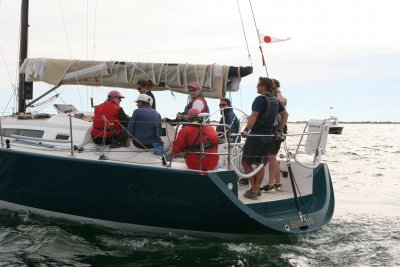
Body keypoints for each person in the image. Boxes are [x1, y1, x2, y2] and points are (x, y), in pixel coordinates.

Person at [240, 77, 286, 200]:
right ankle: (255, 189)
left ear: (263, 87)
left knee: (245, 162)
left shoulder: (260, 99)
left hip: (256, 136)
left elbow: (254, 115)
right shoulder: (275, 101)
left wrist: (246, 130)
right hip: (269, 136)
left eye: (258, 85)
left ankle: (254, 189)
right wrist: (279, 129)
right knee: (260, 164)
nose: (256, 87)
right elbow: (285, 114)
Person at [262, 79, 289, 192]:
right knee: (272, 156)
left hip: (278, 128)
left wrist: (277, 91)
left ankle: (271, 184)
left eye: (273, 87)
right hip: (270, 128)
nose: (271, 89)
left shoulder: (279, 98)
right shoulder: (269, 99)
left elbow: (282, 102)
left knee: (271, 155)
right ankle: (277, 182)